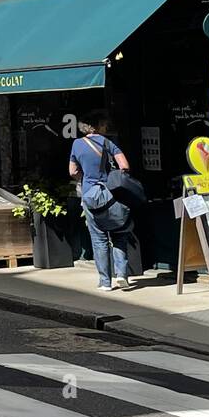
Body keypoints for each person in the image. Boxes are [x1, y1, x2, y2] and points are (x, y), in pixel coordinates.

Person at [69, 112, 132, 292]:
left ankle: (105, 282)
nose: (106, 126)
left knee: (99, 239)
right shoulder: (107, 143)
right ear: (96, 126)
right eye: (104, 124)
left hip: (90, 194)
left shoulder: (77, 144)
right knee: (119, 234)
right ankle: (121, 275)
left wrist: (87, 177)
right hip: (112, 194)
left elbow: (72, 172)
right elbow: (125, 166)